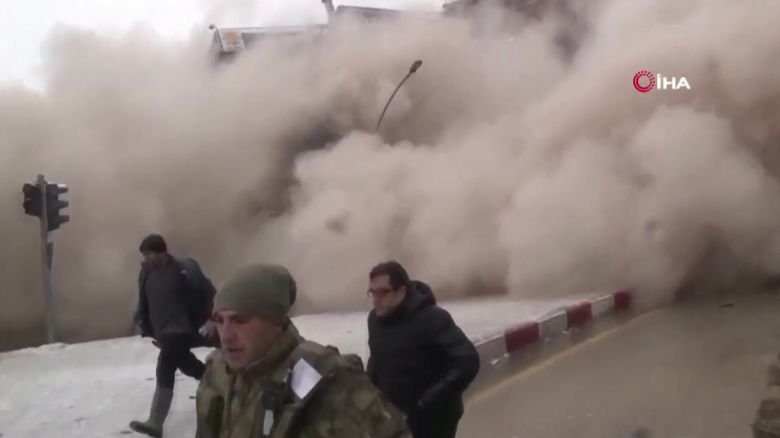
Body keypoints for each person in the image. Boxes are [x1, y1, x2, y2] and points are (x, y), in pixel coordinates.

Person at [195, 263, 412, 438]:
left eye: (240, 320)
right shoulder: (219, 374)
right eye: (219, 320)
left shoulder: (330, 383)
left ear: (275, 321)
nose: (226, 335)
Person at [366, 261, 480, 438]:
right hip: (394, 418)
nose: (376, 300)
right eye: (372, 293)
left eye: (382, 292)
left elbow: (467, 361)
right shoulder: (375, 321)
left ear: (401, 291)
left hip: (434, 420)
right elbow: (377, 358)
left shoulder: (432, 319)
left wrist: (430, 399)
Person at [130, 233, 217, 438]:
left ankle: (155, 422)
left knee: (166, 363)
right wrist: (140, 318)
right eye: (144, 255)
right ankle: (211, 379)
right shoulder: (146, 272)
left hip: (184, 328)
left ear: (161, 252)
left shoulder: (184, 269)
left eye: (149, 254)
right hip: (162, 331)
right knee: (170, 363)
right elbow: (144, 298)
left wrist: (211, 318)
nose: (146, 259)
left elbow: (208, 291)